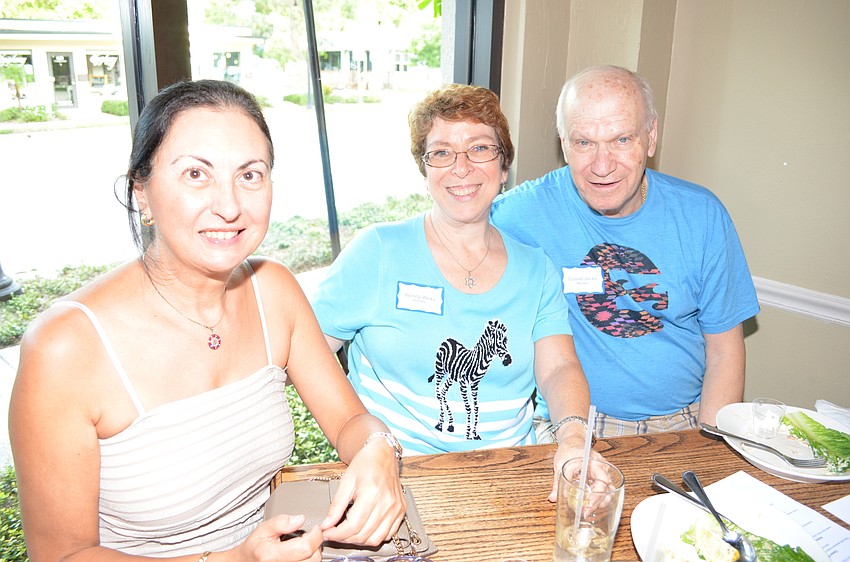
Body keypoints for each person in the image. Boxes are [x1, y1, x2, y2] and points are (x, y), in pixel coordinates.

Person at [9, 79, 405, 562]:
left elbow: (349, 421)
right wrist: (236, 559)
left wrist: (378, 449)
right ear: (141, 192)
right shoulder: (65, 347)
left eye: (250, 175)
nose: (230, 206)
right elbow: (61, 556)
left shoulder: (273, 290)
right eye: (196, 174)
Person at [311, 83, 597, 501]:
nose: (461, 168)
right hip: (396, 479)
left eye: (479, 148)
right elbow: (306, 355)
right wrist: (357, 433)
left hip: (510, 475)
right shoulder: (378, 252)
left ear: (504, 166)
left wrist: (572, 437)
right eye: (442, 152)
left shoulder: (536, 270)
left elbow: (558, 368)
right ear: (425, 169)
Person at [490, 65, 760, 438]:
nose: (602, 167)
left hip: (682, 420)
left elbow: (724, 352)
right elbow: (447, 236)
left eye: (621, 139)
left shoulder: (702, 216)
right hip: (569, 424)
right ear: (564, 144)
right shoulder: (517, 214)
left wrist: (709, 447)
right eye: (584, 142)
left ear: (651, 137)